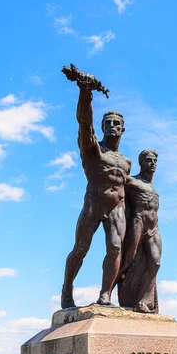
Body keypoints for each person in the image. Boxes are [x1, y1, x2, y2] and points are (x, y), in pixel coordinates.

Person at [61, 72, 131, 308]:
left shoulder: (127, 162)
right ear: (102, 127)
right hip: (93, 203)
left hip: (116, 208)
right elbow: (84, 124)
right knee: (80, 249)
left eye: (117, 124)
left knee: (115, 247)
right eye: (108, 123)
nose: (112, 126)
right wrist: (85, 92)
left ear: (122, 130)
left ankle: (105, 294)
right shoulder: (94, 150)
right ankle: (67, 291)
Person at [117, 149, 162, 313]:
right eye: (149, 160)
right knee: (127, 261)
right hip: (137, 222)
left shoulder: (153, 188)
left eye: (155, 161)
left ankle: (143, 301)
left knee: (155, 263)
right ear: (141, 163)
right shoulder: (132, 182)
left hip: (154, 227)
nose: (153, 163)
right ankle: (106, 291)